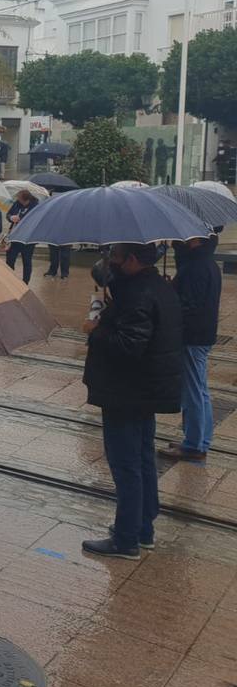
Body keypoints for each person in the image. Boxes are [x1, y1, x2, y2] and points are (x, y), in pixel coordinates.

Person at [82, 243, 182, 559]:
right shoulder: (156, 286)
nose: (111, 261)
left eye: (117, 256)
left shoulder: (139, 296)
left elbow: (128, 346)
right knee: (141, 459)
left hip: (127, 391)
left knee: (126, 464)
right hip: (144, 389)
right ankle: (143, 529)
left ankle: (126, 540)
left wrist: (95, 329)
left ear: (133, 260)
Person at [160, 235, 221, 463]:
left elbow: (189, 305)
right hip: (202, 333)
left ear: (198, 239)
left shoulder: (196, 266)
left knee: (193, 390)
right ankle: (199, 440)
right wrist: (174, 285)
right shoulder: (205, 262)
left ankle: (194, 445)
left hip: (193, 335)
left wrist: (170, 295)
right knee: (200, 389)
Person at [4, 190, 39, 283]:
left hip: (28, 239)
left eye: (19, 199)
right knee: (10, 259)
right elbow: (8, 214)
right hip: (14, 237)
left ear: (26, 200)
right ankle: (10, 280)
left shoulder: (36, 207)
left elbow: (36, 222)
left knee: (27, 261)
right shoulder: (17, 204)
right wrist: (11, 217)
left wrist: (21, 219)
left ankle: (25, 282)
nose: (17, 200)